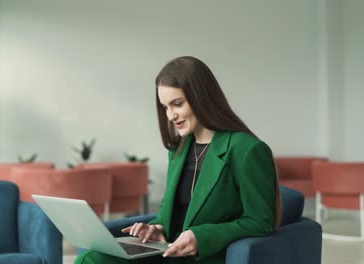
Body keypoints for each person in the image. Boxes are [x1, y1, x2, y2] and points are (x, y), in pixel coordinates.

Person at [75, 56, 281, 264]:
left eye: (177, 104)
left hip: (205, 257)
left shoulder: (247, 149)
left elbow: (260, 221)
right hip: (167, 252)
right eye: (165, 107)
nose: (171, 115)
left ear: (201, 97)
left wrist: (201, 237)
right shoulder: (178, 150)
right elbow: (168, 214)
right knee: (91, 259)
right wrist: (156, 228)